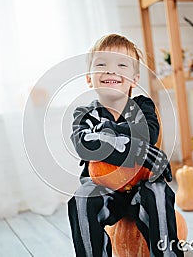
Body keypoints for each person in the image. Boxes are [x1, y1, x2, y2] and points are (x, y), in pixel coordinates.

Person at [68, 34, 183, 257]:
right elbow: (84, 144)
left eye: (121, 64)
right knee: (81, 199)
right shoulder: (84, 115)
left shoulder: (143, 106)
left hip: (141, 186)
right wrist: (140, 152)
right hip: (105, 190)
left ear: (134, 78)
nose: (112, 70)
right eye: (102, 64)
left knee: (158, 191)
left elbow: (147, 135)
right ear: (89, 78)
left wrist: (104, 136)